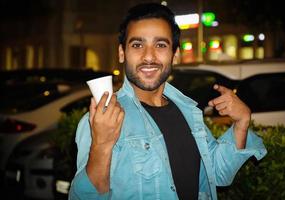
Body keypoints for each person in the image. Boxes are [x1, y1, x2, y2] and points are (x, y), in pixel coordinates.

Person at [69, 3, 267, 200]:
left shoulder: (188, 111)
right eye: (137, 45)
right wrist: (102, 145)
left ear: (175, 54)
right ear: (122, 53)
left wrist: (241, 123)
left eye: (160, 45)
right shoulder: (101, 120)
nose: (149, 56)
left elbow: (218, 174)